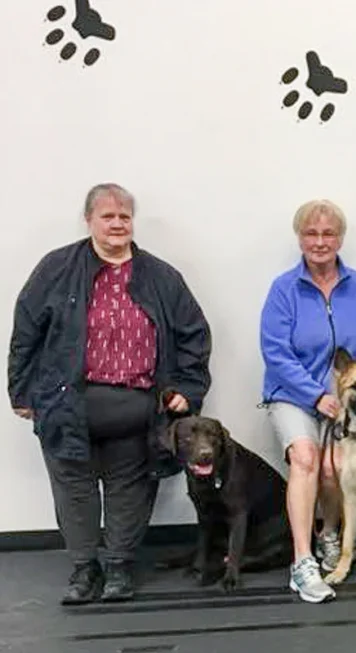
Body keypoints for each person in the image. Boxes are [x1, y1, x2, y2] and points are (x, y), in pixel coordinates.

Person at [7, 182, 212, 605]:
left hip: (137, 406)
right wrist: (22, 391)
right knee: (74, 489)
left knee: (129, 488)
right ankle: (84, 569)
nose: (117, 224)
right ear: (89, 220)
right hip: (67, 404)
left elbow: (194, 334)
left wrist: (188, 389)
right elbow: (26, 331)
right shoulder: (56, 268)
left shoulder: (161, 276)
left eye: (124, 216)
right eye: (108, 216)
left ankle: (119, 566)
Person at [259, 198, 356, 603]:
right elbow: (275, 352)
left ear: (340, 239)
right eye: (311, 233)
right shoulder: (284, 289)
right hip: (292, 394)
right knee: (305, 459)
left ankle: (330, 535)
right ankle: (303, 562)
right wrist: (315, 394)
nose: (320, 242)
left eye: (328, 233)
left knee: (335, 469)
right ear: (300, 238)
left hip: (348, 399)